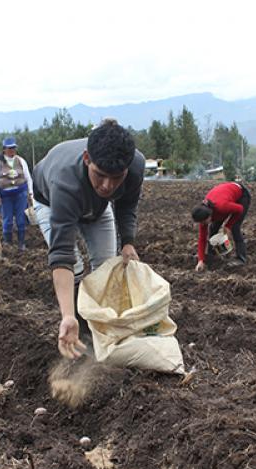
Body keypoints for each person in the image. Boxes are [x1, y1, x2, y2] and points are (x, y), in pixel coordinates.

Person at [32, 119, 145, 359]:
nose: (108, 186)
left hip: (96, 207)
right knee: (76, 265)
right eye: (101, 175)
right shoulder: (65, 181)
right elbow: (61, 254)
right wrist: (67, 316)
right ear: (86, 159)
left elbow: (127, 206)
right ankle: (79, 327)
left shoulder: (135, 165)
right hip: (51, 202)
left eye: (117, 178)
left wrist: (128, 241)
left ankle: (100, 328)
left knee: (106, 266)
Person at [191, 181, 251, 271]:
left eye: (204, 221)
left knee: (235, 228)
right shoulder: (203, 214)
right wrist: (200, 260)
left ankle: (241, 258)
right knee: (213, 228)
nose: (203, 224)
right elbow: (202, 238)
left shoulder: (222, 207)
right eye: (201, 222)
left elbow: (239, 209)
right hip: (225, 197)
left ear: (209, 215)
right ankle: (211, 255)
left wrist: (228, 225)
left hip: (241, 196)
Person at [0, 136, 34, 251]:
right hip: (5, 196)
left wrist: (30, 193)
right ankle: (8, 243)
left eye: (13, 148)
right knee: (7, 220)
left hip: (20, 194)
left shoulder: (21, 161)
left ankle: (21, 243)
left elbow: (28, 177)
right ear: (4, 149)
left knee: (21, 219)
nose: (12, 150)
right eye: (9, 148)